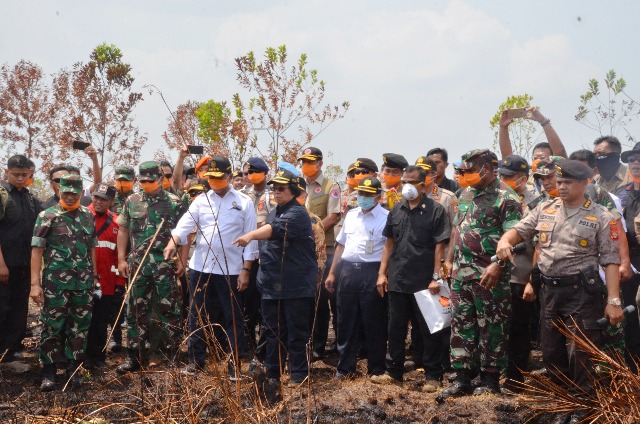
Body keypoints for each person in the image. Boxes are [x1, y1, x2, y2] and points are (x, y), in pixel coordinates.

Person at [497, 160, 624, 423]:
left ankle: (581, 407)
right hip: (550, 291)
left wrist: (613, 300)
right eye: (559, 181)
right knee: (551, 351)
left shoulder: (602, 217)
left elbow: (611, 261)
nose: (561, 186)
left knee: (581, 351)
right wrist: (504, 241)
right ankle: (562, 401)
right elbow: (518, 232)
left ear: (585, 183)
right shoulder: (545, 208)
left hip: (582, 291)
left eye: (568, 182)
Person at [439, 149, 522, 399]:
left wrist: (498, 265)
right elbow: (458, 230)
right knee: (461, 325)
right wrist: (449, 260)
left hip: (490, 275)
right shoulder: (465, 194)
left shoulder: (506, 197)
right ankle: (462, 377)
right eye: (462, 171)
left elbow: (515, 239)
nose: (464, 175)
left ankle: (489, 379)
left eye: (470, 170)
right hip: (461, 274)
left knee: (492, 328)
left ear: (487, 168)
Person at [166, 156, 258, 376]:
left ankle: (233, 364)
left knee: (232, 317)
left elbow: (251, 240)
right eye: (211, 178)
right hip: (201, 268)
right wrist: (173, 241)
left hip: (231, 270)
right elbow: (185, 225)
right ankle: (195, 361)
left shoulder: (244, 202)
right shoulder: (201, 201)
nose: (215, 181)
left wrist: (246, 270)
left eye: (219, 177)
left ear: (229, 176)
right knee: (197, 316)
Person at [233, 169, 317, 399]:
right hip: (272, 285)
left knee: (296, 332)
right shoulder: (273, 213)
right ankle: (273, 372)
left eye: (281, 189)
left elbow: (274, 231)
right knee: (272, 331)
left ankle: (299, 373)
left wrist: (250, 235)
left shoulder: (297, 214)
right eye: (274, 188)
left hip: (295, 285)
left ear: (294, 191)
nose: (276, 192)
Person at [371, 165, 450, 392]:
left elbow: (440, 246)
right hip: (398, 279)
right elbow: (389, 243)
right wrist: (381, 274)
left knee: (428, 330)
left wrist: (436, 276)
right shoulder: (397, 209)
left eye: (411, 182)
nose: (406, 186)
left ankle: (433, 376)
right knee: (395, 328)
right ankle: (393, 373)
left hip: (425, 282)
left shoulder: (435, 211)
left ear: (424, 183)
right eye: (404, 181)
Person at [116, 161, 186, 373]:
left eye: (150, 180)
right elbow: (123, 230)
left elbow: (185, 232)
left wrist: (183, 260)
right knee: (135, 310)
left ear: (160, 179)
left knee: (170, 309)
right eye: (143, 181)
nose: (146, 184)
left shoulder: (174, 202)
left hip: (165, 265)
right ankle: (134, 356)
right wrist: (121, 259)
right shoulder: (132, 201)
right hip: (138, 265)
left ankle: (171, 354)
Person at [30, 175, 98, 391]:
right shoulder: (47, 216)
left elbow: (92, 248)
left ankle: (73, 370)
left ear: (80, 193)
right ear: (59, 191)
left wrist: (95, 276)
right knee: (52, 327)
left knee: (80, 327)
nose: (69, 197)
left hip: (84, 283)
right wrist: (35, 284)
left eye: (74, 193)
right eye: (65, 192)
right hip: (55, 284)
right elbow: (37, 250)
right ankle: (49, 372)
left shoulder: (88, 216)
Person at [325, 176, 388, 379]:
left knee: (374, 322)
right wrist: (333, 272)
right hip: (348, 271)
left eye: (368, 195)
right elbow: (341, 244)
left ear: (378, 197)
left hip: (372, 272)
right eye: (361, 194)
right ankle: (345, 368)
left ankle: (376, 368)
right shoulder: (351, 215)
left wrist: (382, 275)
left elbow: (389, 248)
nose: (363, 198)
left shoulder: (387, 217)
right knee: (346, 321)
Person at [495, 155, 538, 391]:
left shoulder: (535, 204)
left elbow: (539, 244)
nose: (503, 179)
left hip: (522, 274)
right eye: (501, 175)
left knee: (519, 329)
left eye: (508, 176)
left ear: (522, 179)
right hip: (499, 273)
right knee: (497, 327)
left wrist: (533, 278)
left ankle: (515, 378)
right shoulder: (499, 199)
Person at [298, 147, 341, 359]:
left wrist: (312, 234)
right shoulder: (297, 185)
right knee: (304, 298)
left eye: (310, 161)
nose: (306, 165)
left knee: (320, 299)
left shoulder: (330, 186)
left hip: (324, 251)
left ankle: (318, 345)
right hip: (301, 252)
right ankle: (303, 342)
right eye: (303, 161)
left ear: (320, 163)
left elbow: (333, 217)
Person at [0, 155, 41, 363]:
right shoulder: (2, 196)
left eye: (25, 175)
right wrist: (1, 264)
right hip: (4, 265)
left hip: (25, 264)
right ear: (7, 172)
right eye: (16, 175)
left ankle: (13, 349)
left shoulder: (30, 199)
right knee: (2, 306)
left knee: (19, 308)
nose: (20, 178)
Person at [85, 183, 127, 369]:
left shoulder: (118, 222)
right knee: (81, 321)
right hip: (82, 281)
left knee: (101, 322)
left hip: (107, 283)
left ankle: (97, 358)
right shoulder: (81, 217)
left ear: (111, 201)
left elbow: (121, 255)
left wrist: (120, 283)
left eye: (104, 199)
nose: (99, 202)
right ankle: (77, 359)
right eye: (96, 197)